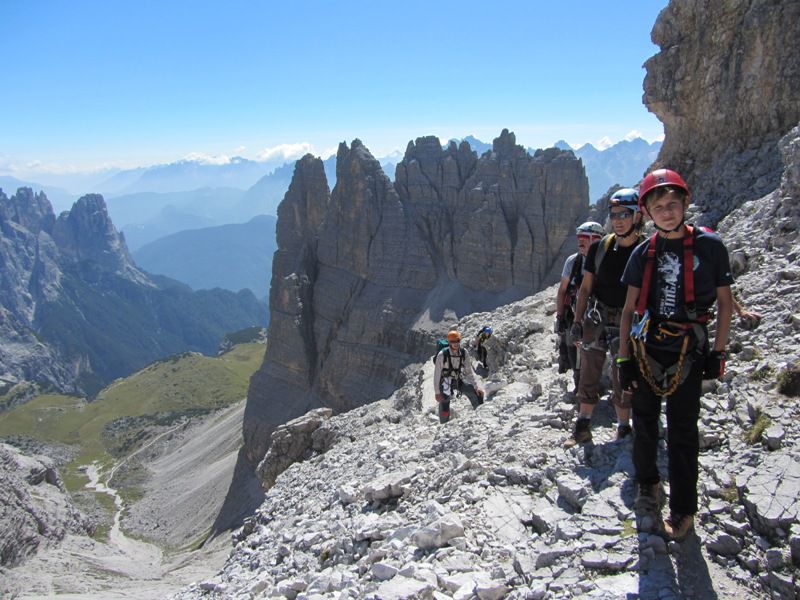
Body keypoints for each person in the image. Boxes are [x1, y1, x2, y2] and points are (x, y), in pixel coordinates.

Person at [618, 168, 733, 541]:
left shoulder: (711, 247)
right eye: (658, 206)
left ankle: (683, 510)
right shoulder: (643, 252)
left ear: (685, 203)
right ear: (647, 213)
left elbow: (725, 304)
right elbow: (629, 309)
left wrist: (718, 352)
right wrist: (623, 360)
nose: (666, 211)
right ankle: (647, 483)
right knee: (645, 421)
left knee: (684, 430)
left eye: (672, 203)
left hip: (689, 351)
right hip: (648, 349)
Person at [565, 189, 644, 446]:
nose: (618, 220)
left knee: (623, 372)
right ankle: (582, 426)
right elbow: (586, 288)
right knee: (588, 371)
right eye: (614, 215)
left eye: (625, 214)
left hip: (627, 322)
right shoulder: (600, 248)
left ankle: (623, 427)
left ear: (637, 215)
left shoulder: (646, 251)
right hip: (596, 318)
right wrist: (576, 321)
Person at [555, 221, 604, 391]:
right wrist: (560, 317)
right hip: (573, 314)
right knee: (571, 348)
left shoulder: (605, 261)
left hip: (599, 316)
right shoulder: (573, 261)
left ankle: (594, 384)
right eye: (578, 237)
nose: (579, 241)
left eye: (584, 237)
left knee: (595, 351)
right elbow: (562, 290)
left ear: (596, 239)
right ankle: (579, 383)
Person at [434, 330, 485, 423]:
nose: (456, 343)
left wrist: (476, 387)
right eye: (453, 341)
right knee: (445, 404)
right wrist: (437, 392)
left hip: (458, 380)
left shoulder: (463, 353)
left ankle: (480, 416)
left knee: (476, 394)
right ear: (449, 342)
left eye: (457, 340)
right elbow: (437, 375)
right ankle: (443, 426)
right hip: (445, 383)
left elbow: (469, 372)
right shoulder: (442, 355)